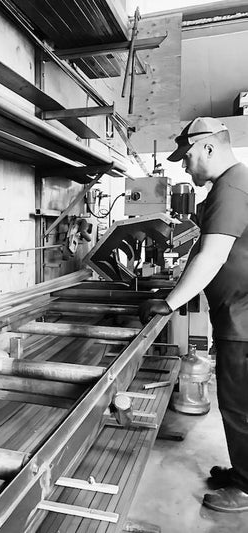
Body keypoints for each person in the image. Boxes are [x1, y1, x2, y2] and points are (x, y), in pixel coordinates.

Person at [139, 117, 248, 513]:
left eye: (186, 157)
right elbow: (199, 245)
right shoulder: (229, 186)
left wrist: (168, 304)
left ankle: (247, 487)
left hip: (243, 319)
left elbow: (213, 255)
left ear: (208, 147)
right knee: (238, 404)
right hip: (237, 316)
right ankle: (242, 473)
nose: (184, 166)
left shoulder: (233, 186)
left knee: (239, 407)